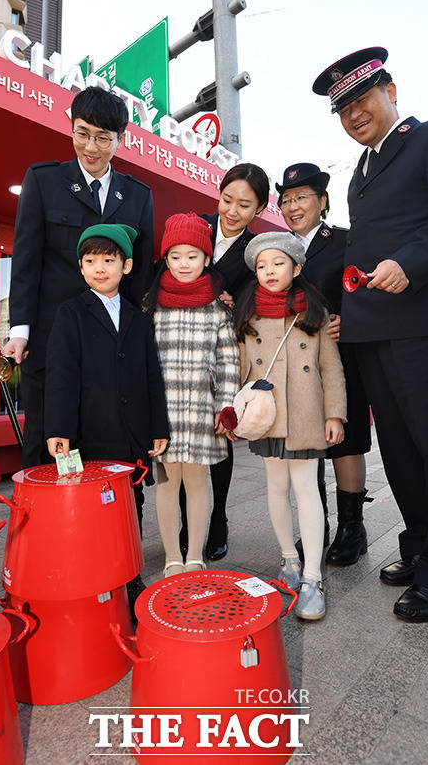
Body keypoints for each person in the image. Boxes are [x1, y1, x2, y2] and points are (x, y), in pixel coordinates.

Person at [312, 46, 428, 621]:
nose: (353, 114)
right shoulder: (359, 172)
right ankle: (419, 547)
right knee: (404, 453)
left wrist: (410, 261)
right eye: (343, 108)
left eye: (361, 98)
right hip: (375, 330)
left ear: (392, 92)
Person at [3, 86, 154, 471]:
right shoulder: (43, 181)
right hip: (54, 338)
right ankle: (51, 526)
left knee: (108, 437)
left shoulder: (137, 196)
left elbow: (139, 275)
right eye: (82, 133)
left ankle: (105, 521)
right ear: (71, 129)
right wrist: (20, 329)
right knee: (51, 441)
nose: (91, 146)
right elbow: (26, 260)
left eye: (103, 138)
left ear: (120, 140)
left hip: (113, 341)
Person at [230, 232, 346, 620]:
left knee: (307, 489)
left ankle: (313, 576)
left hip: (306, 414)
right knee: (276, 488)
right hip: (267, 417)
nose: (269, 271)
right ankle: (289, 561)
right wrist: (233, 412)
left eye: (278, 263)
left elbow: (331, 368)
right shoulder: (248, 315)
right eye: (261, 266)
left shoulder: (314, 312)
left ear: (296, 268)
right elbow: (239, 371)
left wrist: (335, 414)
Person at [276, 163, 372, 566]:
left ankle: (353, 527)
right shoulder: (276, 249)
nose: (293, 206)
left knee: (345, 441)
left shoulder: (348, 241)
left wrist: (349, 320)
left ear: (322, 201)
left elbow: (368, 287)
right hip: (295, 363)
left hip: (342, 357)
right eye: (285, 200)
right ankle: (320, 525)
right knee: (306, 441)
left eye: (301, 197)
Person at [179, 162, 270, 561]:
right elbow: (166, 269)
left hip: (222, 350)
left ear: (260, 209)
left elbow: (256, 302)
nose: (232, 212)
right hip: (180, 344)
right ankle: (186, 518)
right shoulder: (193, 225)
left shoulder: (255, 251)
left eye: (244, 205)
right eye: (227, 200)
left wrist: (237, 306)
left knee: (220, 433)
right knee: (184, 434)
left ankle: (217, 519)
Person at [144, 213, 240, 576]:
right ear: (165, 258)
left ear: (206, 258)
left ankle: (195, 553)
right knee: (168, 483)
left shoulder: (218, 307)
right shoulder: (151, 304)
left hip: (202, 408)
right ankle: (172, 556)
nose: (184, 264)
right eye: (175, 256)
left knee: (198, 482)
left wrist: (226, 405)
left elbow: (228, 360)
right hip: (164, 411)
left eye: (193, 255)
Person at [43, 222, 169, 487]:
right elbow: (60, 375)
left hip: (132, 434)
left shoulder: (139, 318)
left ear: (127, 266)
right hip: (89, 432)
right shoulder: (71, 313)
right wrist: (58, 428)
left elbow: (152, 376)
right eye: (90, 260)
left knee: (131, 501)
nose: (99, 268)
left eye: (109, 260)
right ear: (81, 266)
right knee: (91, 503)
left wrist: (158, 427)